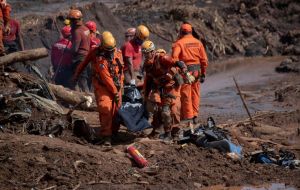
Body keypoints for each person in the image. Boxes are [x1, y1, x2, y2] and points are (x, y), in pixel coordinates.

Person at [72, 32, 124, 147]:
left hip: (117, 86)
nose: (110, 53)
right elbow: (105, 78)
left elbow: (121, 71)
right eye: (108, 50)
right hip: (102, 86)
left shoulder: (118, 53)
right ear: (102, 47)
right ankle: (107, 137)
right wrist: (76, 75)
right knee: (106, 108)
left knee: (116, 111)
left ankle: (114, 132)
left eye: (112, 50)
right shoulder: (97, 55)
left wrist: (120, 87)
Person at [142, 40, 194, 141]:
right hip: (161, 87)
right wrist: (146, 95)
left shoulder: (162, 58)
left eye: (146, 53)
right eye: (143, 53)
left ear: (152, 52)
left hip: (172, 86)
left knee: (174, 110)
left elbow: (177, 62)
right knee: (161, 111)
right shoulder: (147, 65)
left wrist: (185, 70)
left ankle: (175, 131)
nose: (145, 55)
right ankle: (166, 132)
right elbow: (148, 80)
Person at [172, 23, 208, 123]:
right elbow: (204, 60)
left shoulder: (179, 43)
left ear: (181, 32)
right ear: (191, 31)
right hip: (197, 72)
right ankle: (195, 115)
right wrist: (203, 73)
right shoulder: (198, 43)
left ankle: (189, 116)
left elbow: (174, 58)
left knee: (186, 94)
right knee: (195, 93)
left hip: (185, 72)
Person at [68, 9, 90, 92]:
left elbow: (75, 49)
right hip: (87, 56)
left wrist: (67, 50)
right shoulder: (86, 29)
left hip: (79, 58)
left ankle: (86, 99)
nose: (70, 23)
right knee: (84, 79)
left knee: (79, 80)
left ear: (74, 21)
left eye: (71, 20)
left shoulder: (77, 32)